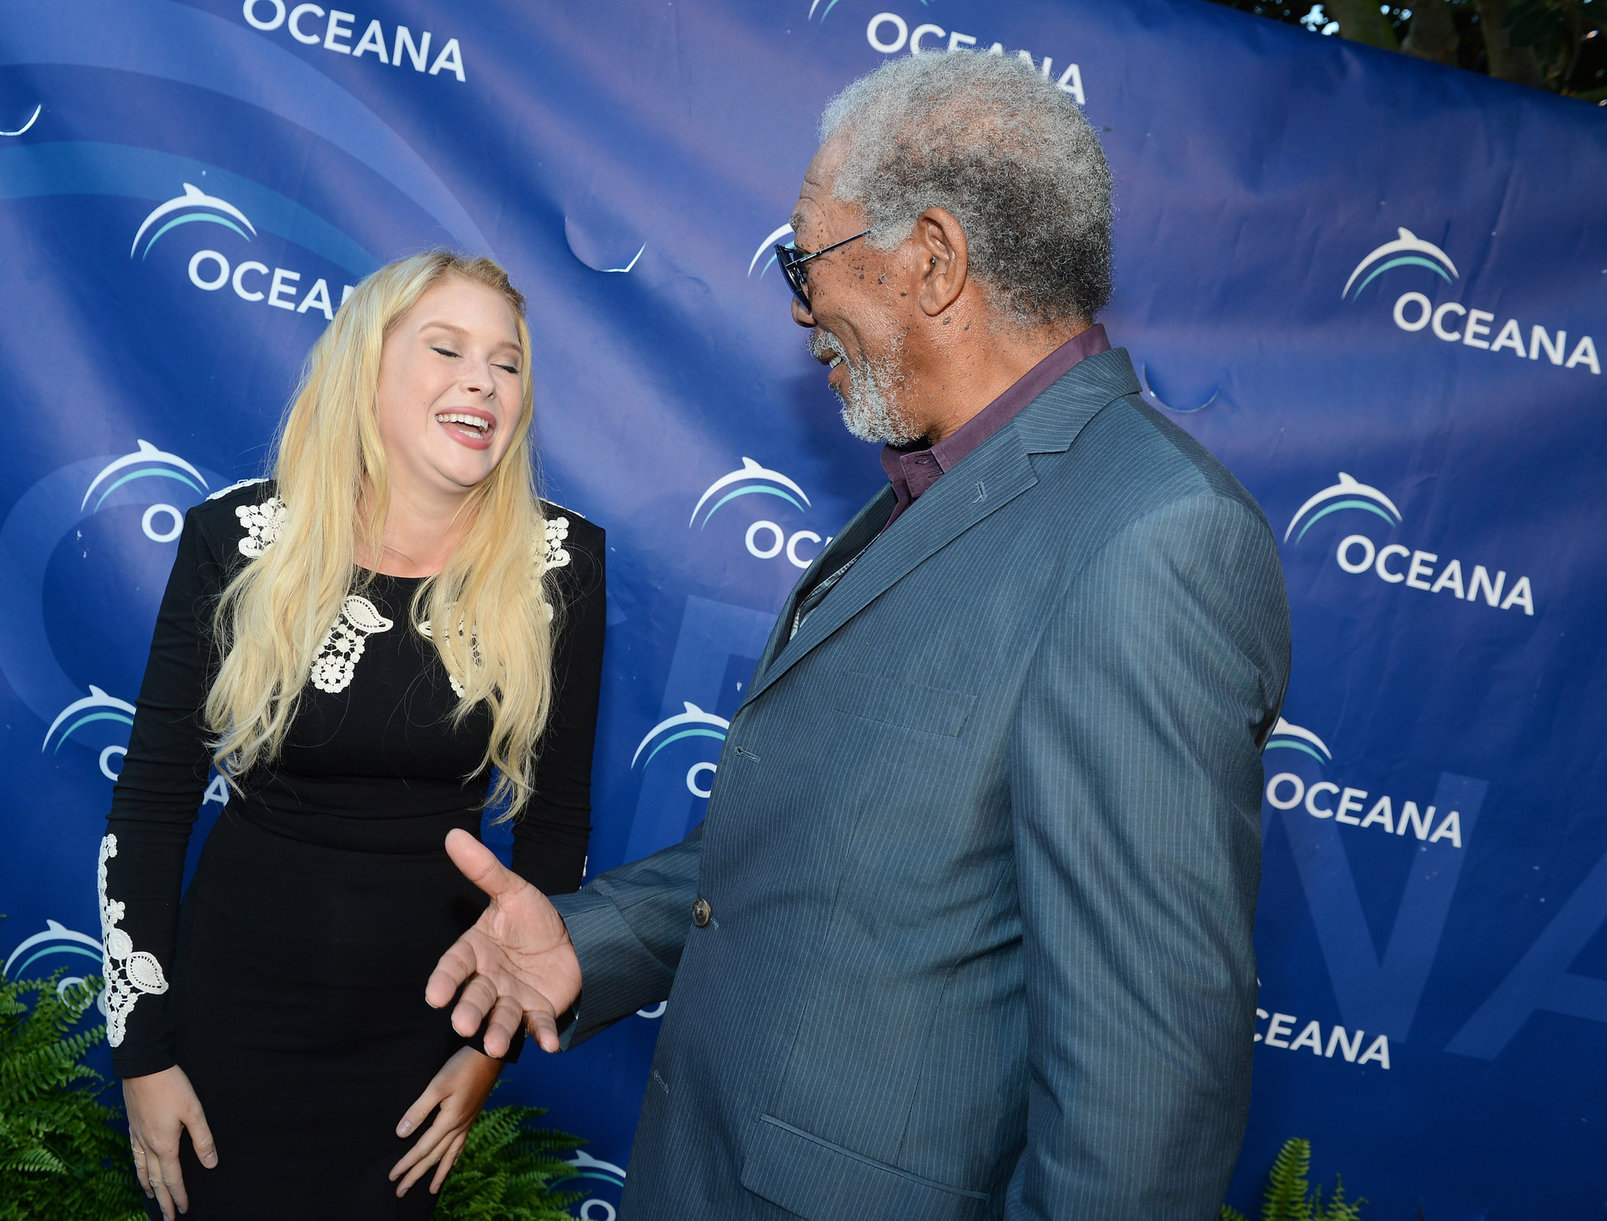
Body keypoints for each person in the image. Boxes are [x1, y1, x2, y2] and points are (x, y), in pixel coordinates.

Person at [430, 52, 1289, 1220]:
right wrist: (592, 941)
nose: (799, 308)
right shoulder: (941, 480)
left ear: (932, 258)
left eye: (806, 259)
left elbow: (1141, 1106)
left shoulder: (1153, 534)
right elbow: (843, 853)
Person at [99, 251, 606, 1221]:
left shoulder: (560, 562)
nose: (482, 380)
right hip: (229, 1020)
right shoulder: (237, 539)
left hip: (422, 1031)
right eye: (446, 349)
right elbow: (150, 808)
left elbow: (555, 826)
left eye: (506, 362)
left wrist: (485, 1051)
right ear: (364, 369)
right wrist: (143, 1056)